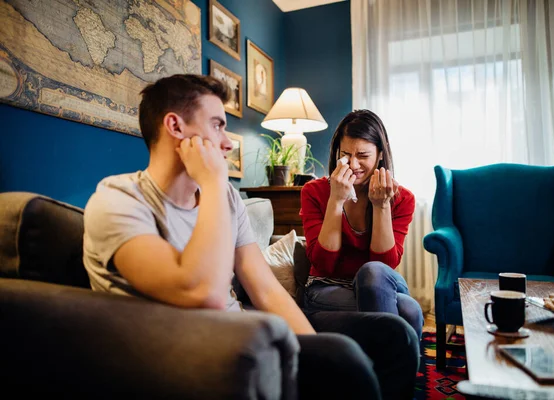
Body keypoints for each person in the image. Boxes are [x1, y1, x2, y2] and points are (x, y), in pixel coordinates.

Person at [82, 75, 419, 400]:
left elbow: (267, 290)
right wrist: (213, 182)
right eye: (217, 125)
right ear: (175, 127)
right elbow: (203, 292)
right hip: (186, 350)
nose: (228, 142)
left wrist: (316, 353)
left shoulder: (225, 199)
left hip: (241, 332)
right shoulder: (119, 199)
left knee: (390, 339)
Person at [300, 109, 424, 339]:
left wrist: (381, 206)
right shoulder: (314, 191)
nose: (353, 164)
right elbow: (324, 263)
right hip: (327, 288)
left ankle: (380, 370)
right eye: (346, 154)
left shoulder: (402, 198)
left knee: (373, 272)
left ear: (379, 154)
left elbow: (385, 265)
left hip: (379, 283)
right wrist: (336, 199)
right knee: (410, 311)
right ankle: (395, 370)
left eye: (363, 155)